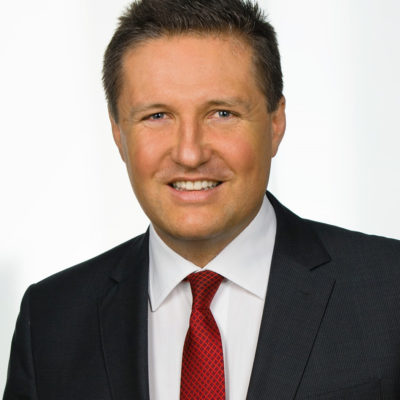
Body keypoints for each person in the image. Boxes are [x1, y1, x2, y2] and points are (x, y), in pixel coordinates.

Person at [3, 0, 400, 398]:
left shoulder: (389, 290)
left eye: (222, 113)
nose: (190, 154)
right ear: (118, 133)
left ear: (275, 122)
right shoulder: (51, 320)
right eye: (157, 116)